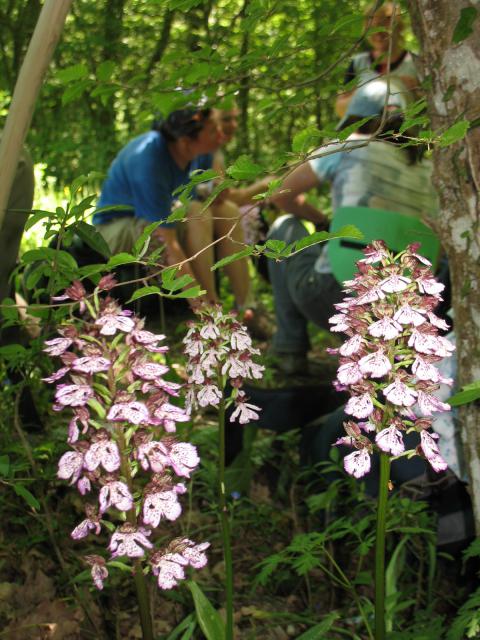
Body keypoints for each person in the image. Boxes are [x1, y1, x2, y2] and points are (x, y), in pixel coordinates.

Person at [268, 79, 438, 374]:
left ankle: (289, 348)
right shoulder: (429, 169)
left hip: (336, 294)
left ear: (357, 115)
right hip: (404, 304)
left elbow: (279, 195)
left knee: (285, 225)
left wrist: (319, 219)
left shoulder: (348, 146)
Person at [93, 106, 250, 309]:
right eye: (212, 132)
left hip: (156, 217)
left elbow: (217, 197)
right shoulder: (149, 160)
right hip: (114, 228)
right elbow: (168, 244)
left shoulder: (196, 151)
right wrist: (200, 305)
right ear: (185, 141)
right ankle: (210, 309)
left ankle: (247, 307)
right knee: (196, 212)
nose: (221, 135)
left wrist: (216, 177)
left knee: (227, 211)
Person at [335, 2, 418, 118]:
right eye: (372, 28)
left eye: (383, 26)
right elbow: (340, 108)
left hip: (403, 133)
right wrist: (363, 94)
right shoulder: (359, 63)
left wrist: (417, 91)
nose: (378, 33)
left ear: (398, 26)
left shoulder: (415, 63)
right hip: (364, 133)